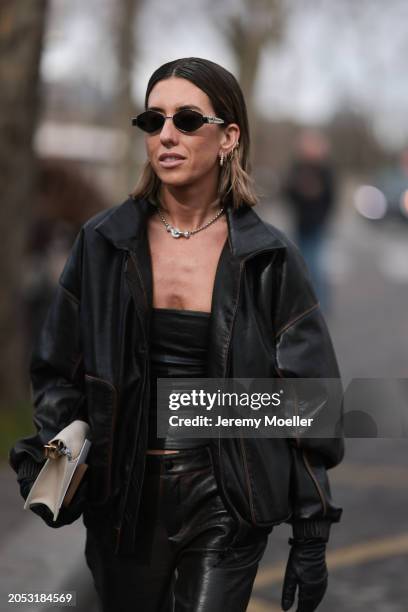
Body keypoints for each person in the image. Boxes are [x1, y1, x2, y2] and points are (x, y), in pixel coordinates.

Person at [10, 57, 343, 612]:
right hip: (123, 499)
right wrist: (61, 453)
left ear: (228, 137)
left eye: (187, 120)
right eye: (153, 120)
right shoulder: (102, 242)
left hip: (227, 499)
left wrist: (312, 534)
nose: (166, 135)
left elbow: (309, 403)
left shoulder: (269, 258)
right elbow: (54, 369)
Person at [283, 130, 337, 313]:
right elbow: (287, 192)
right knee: (301, 264)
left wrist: (323, 217)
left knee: (315, 266)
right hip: (300, 222)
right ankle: (304, 304)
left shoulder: (325, 169)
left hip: (316, 224)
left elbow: (330, 197)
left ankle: (321, 304)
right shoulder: (297, 168)